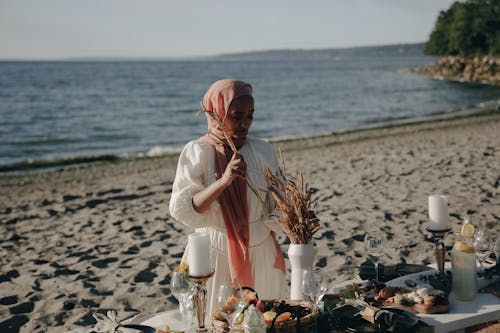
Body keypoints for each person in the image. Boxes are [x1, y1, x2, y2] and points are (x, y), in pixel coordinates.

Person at [169, 79, 286, 314]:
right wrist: (224, 181)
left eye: (250, 115)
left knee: (265, 322)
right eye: (237, 116)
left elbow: (279, 201)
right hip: (216, 256)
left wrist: (293, 217)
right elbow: (184, 209)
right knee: (218, 322)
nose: (246, 123)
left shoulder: (262, 150)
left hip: (262, 250)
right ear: (217, 113)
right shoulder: (198, 151)